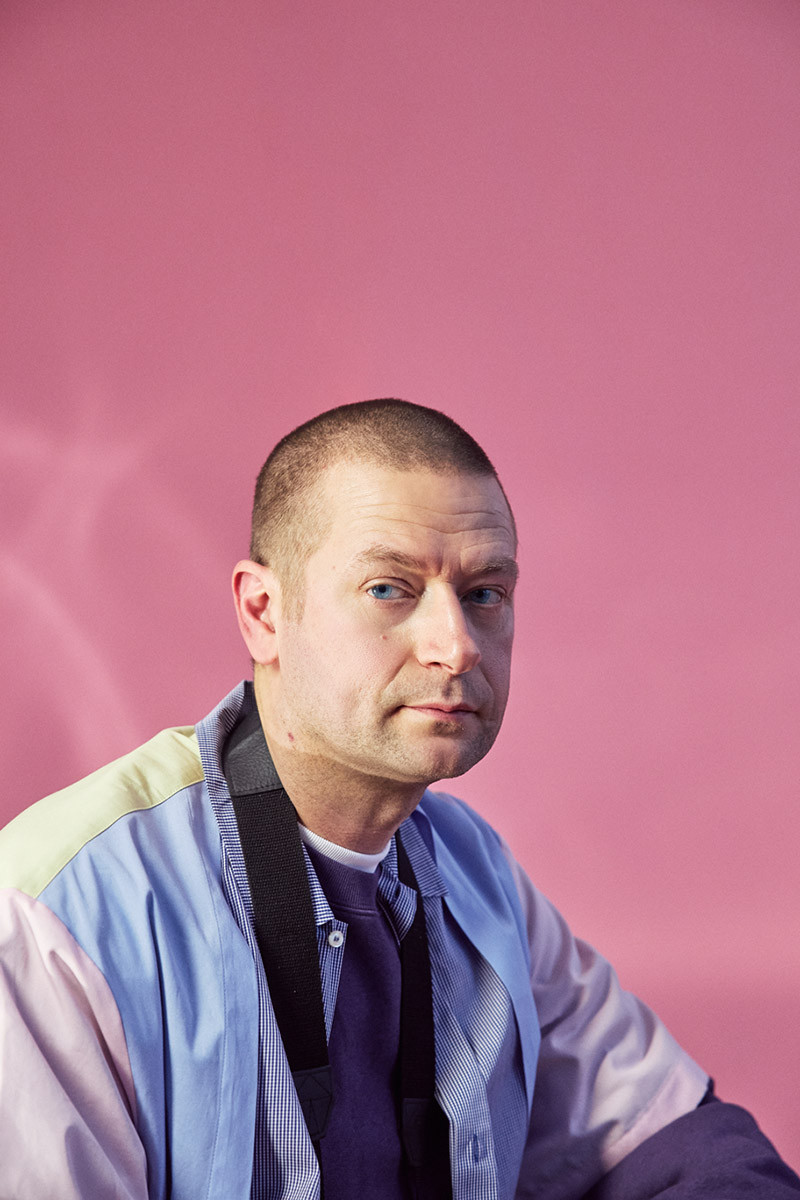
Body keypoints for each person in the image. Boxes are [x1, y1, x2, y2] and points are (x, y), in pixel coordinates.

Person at [0, 398, 796, 1200]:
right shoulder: (57, 914)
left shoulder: (477, 874)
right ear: (263, 613)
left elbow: (679, 1146)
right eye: (389, 588)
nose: (457, 645)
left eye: (485, 593)